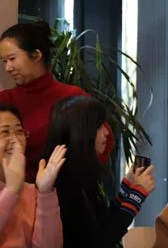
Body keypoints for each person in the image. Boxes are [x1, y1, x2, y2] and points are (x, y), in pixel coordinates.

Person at [0, 22, 114, 182]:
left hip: (60, 190)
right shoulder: (4, 100)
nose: (8, 68)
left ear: (36, 55)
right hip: (12, 192)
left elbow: (105, 141)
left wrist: (66, 178)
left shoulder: (72, 97)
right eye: (4, 61)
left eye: (12, 59)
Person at [42, 96, 155, 248]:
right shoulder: (63, 183)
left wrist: (128, 188)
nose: (106, 132)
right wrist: (137, 196)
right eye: (99, 126)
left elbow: (103, 223)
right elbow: (99, 242)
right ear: (82, 132)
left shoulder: (80, 173)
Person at [0, 103, 65, 248]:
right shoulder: (15, 189)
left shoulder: (30, 192)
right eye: (4, 132)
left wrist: (45, 192)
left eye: (19, 131)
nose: (16, 141)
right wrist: (11, 191)